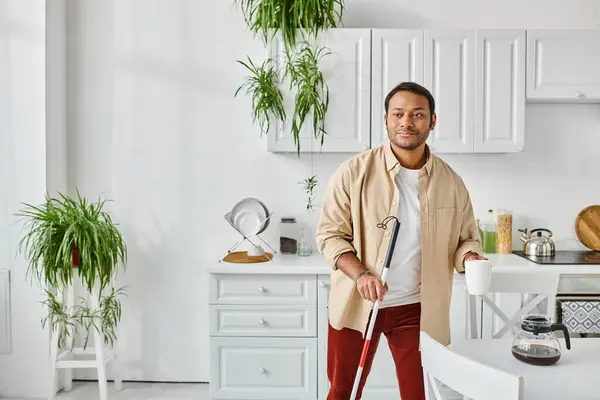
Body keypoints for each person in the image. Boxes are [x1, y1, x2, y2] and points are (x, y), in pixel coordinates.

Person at [315, 81, 486, 400]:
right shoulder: (353, 172)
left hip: (417, 309)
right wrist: (361, 275)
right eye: (398, 114)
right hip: (358, 305)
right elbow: (330, 236)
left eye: (418, 114)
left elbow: (466, 240)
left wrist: (470, 258)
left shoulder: (452, 182)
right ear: (386, 119)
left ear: (432, 121)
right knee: (343, 392)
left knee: (418, 393)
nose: (407, 122)